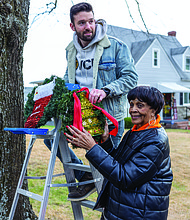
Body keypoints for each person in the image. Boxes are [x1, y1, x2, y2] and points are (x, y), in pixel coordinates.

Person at [45, 2, 138, 201]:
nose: (88, 27)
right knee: (50, 139)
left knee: (110, 166)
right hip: (80, 115)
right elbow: (69, 78)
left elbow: (131, 77)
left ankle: (112, 207)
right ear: (73, 26)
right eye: (82, 23)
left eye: (91, 21)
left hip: (109, 116)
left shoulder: (115, 46)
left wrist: (106, 90)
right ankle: (85, 177)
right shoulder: (71, 50)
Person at [64, 86, 173, 220]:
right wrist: (106, 141)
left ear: (154, 110)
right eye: (131, 104)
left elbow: (125, 178)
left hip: (138, 214)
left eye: (140, 105)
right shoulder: (137, 131)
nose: (133, 110)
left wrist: (92, 148)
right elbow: (119, 162)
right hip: (122, 210)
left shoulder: (156, 141)